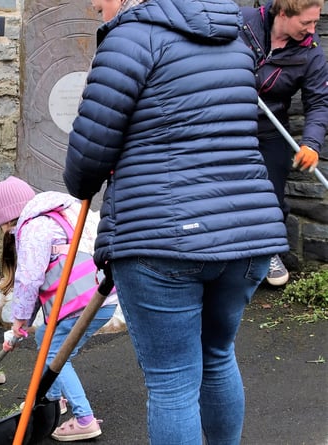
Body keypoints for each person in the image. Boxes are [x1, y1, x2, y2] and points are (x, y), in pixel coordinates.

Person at [62, 0, 289, 444]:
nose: (95, 4)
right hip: (246, 235)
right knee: (219, 357)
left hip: (162, 240)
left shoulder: (129, 39)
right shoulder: (237, 38)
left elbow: (87, 161)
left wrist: (94, 172)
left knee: (173, 383)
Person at [0, 176, 120, 442]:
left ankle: (85, 419)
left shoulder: (35, 227)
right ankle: (51, 397)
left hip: (80, 304)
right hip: (98, 296)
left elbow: (29, 280)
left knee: (55, 357)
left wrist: (17, 321)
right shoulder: (58, 213)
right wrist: (21, 324)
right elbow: (42, 282)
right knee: (44, 337)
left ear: (6, 220)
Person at [239, 0, 328, 286]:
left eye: (316, 23)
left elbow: (319, 102)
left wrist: (312, 144)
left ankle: (270, 252)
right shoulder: (242, 22)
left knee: (271, 193)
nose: (313, 30)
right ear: (284, 13)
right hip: (225, 122)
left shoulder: (310, 52)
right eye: (307, 23)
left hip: (269, 127)